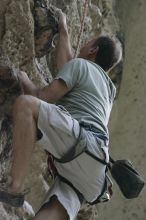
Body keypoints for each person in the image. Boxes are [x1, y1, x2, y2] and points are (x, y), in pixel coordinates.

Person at [0, 10, 122, 220]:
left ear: (92, 50)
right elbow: (69, 63)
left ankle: (14, 189)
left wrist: (23, 78)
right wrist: (63, 28)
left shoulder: (80, 66)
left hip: (82, 144)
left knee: (27, 105)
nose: (79, 47)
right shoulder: (107, 90)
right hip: (94, 174)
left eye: (86, 43)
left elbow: (43, 97)